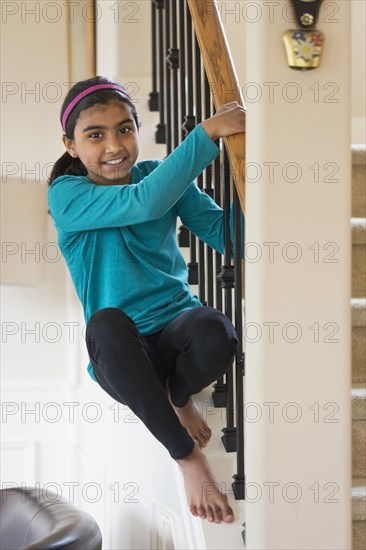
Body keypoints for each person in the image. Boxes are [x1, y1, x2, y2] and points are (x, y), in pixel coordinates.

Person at [48, 76, 245, 524]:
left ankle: (178, 396)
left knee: (214, 329)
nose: (114, 145)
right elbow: (142, 203)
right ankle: (187, 460)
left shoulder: (157, 174)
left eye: (125, 128)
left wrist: (252, 179)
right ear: (71, 144)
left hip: (177, 331)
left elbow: (227, 235)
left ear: (137, 129)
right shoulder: (67, 195)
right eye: (95, 135)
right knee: (107, 323)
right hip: (124, 355)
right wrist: (208, 134)